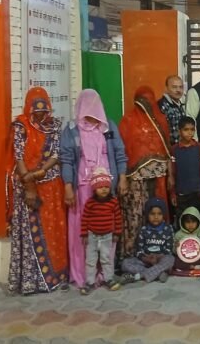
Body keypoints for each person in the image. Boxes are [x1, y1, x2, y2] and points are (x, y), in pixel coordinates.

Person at [60, 89, 128, 290]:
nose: (91, 109)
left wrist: (122, 177)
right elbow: (66, 159)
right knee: (83, 231)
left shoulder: (108, 126)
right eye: (87, 105)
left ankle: (106, 274)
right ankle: (84, 275)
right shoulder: (72, 129)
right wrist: (68, 186)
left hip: (107, 187)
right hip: (82, 188)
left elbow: (120, 153)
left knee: (106, 226)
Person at [6, 87, 68, 295]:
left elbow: (56, 154)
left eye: (44, 111)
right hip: (28, 188)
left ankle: (55, 277)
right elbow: (19, 156)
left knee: (53, 232)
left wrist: (42, 170)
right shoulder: (20, 126)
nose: (41, 115)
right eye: (36, 111)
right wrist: (29, 179)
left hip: (51, 186)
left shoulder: (54, 126)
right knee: (30, 235)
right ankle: (31, 282)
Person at [118, 86, 172, 262]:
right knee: (136, 214)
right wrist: (123, 176)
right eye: (141, 99)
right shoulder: (128, 120)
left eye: (148, 100)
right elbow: (122, 149)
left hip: (158, 176)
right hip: (135, 177)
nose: (144, 103)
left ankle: (159, 253)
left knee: (157, 212)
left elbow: (167, 151)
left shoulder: (160, 119)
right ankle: (133, 254)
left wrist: (171, 175)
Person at [80, 167, 123, 295]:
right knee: (90, 260)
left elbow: (118, 218)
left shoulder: (113, 202)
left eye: (106, 186)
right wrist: (84, 234)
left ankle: (109, 279)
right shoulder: (90, 203)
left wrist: (117, 233)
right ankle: (89, 282)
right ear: (94, 189)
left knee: (106, 259)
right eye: (100, 187)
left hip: (107, 236)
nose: (104, 189)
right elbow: (85, 218)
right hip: (92, 236)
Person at [121, 198, 175, 283]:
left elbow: (169, 249)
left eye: (159, 214)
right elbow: (139, 251)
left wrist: (158, 257)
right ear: (147, 214)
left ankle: (138, 276)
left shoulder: (168, 229)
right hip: (146, 261)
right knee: (125, 263)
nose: (156, 217)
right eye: (152, 214)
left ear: (163, 215)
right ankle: (158, 274)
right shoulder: (144, 229)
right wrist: (146, 259)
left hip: (161, 260)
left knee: (170, 259)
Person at [169, 116, 200, 218]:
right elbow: (172, 173)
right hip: (181, 194)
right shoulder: (174, 149)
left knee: (196, 219)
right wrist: (173, 194)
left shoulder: (199, 148)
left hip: (196, 193)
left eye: (192, 130)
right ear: (179, 131)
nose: (189, 133)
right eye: (186, 130)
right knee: (181, 219)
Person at [158, 75, 186, 146]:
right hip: (168, 148)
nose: (178, 90)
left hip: (180, 147)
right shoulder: (162, 105)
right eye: (174, 87)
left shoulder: (180, 105)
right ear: (166, 89)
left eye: (181, 87)